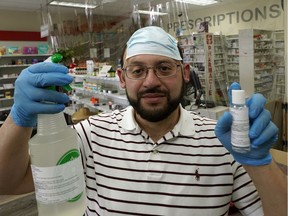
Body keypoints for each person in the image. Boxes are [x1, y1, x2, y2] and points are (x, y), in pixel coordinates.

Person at [0, 26, 286, 216]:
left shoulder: (226, 143)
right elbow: (9, 183)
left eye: (164, 68)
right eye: (137, 71)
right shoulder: (89, 134)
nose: (151, 82)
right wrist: (18, 119)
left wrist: (260, 165)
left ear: (185, 73)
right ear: (123, 78)